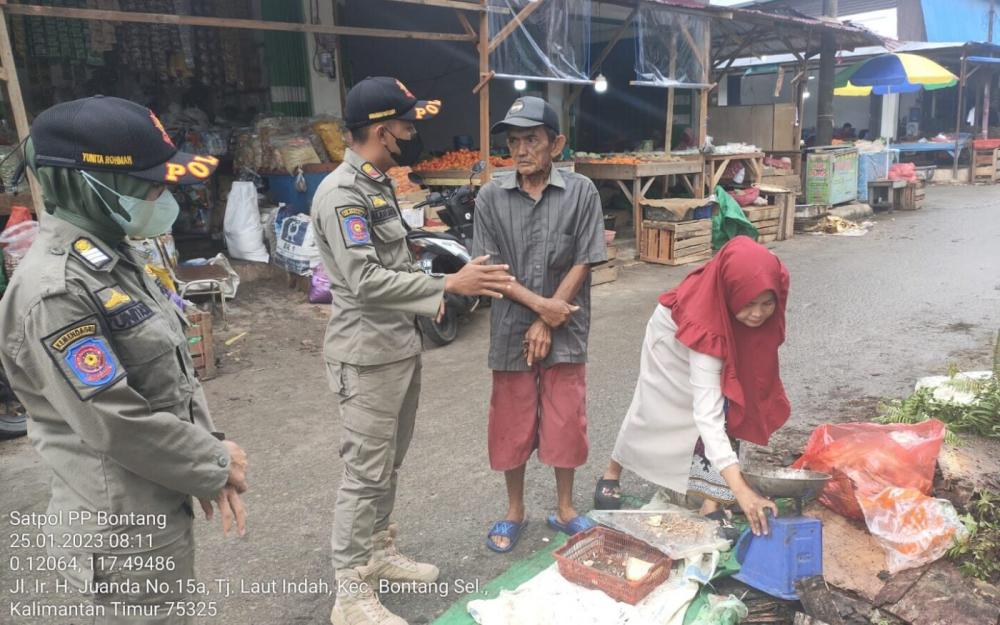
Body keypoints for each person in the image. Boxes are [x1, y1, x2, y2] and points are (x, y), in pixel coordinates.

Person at [0, 95, 249, 623]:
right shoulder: (56, 290)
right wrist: (212, 465)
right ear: (83, 182)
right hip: (121, 532)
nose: (162, 195)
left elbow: (167, 376)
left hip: (153, 500)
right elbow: (113, 417)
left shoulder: (112, 257)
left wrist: (205, 446)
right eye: (148, 184)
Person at [312, 76, 515, 625]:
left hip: (396, 343)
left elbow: (393, 263)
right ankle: (350, 592)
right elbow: (362, 280)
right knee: (365, 473)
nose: (411, 132)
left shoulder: (375, 185)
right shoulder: (342, 194)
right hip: (366, 352)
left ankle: (377, 550)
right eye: (406, 123)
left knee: (388, 464)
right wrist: (446, 286)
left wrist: (430, 292)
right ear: (382, 129)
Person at [473, 96, 608, 553]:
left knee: (565, 417)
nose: (521, 149)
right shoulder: (491, 195)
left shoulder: (581, 192)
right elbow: (491, 268)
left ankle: (565, 507)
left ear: (557, 143)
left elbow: (586, 256)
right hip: (512, 325)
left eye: (531, 139)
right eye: (513, 141)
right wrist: (540, 310)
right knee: (511, 420)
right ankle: (515, 510)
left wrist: (551, 317)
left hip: (566, 323)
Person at [595, 236, 790, 537]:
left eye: (767, 304)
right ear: (729, 295)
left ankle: (711, 503)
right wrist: (743, 491)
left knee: (734, 402)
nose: (758, 314)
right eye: (748, 304)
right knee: (653, 406)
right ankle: (612, 472)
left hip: (719, 329)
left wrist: (736, 490)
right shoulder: (707, 332)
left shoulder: (764, 285)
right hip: (672, 335)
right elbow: (707, 416)